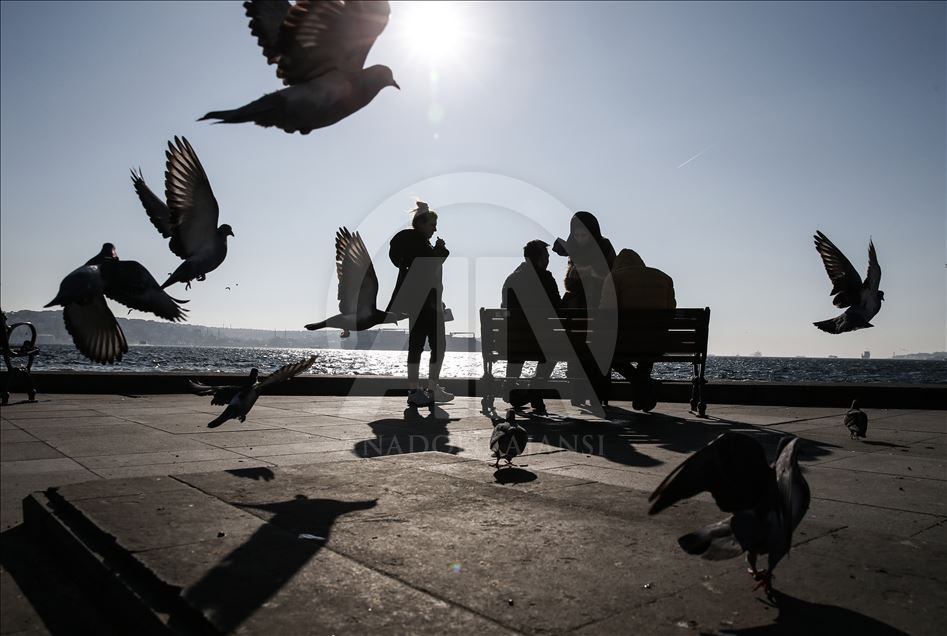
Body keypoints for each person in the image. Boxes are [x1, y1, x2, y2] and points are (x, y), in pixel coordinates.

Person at [387, 201, 453, 407]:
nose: (435, 229)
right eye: (433, 224)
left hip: (427, 303)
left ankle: (425, 389)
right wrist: (442, 250)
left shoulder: (420, 243)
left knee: (424, 346)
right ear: (422, 224)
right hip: (424, 304)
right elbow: (429, 266)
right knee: (430, 346)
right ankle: (419, 390)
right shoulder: (418, 243)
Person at [553, 211, 616, 408]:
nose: (580, 239)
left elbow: (610, 277)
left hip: (597, 310)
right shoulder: (574, 251)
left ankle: (595, 392)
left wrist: (589, 272)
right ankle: (578, 391)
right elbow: (571, 280)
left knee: (594, 351)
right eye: (577, 235)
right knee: (576, 349)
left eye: (584, 235)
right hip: (578, 313)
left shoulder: (604, 247)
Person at [599, 248, 676, 408]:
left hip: (624, 344)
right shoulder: (664, 278)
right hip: (657, 343)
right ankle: (643, 391)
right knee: (648, 346)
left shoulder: (614, 278)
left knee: (606, 353)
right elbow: (671, 314)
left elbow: (605, 315)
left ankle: (642, 384)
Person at [501, 240, 561, 414]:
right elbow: (558, 308)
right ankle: (535, 389)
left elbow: (506, 307)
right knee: (553, 351)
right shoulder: (546, 278)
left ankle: (511, 386)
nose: (549, 259)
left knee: (517, 342)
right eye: (547, 256)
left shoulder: (511, 279)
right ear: (540, 259)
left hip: (514, 342)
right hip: (543, 343)